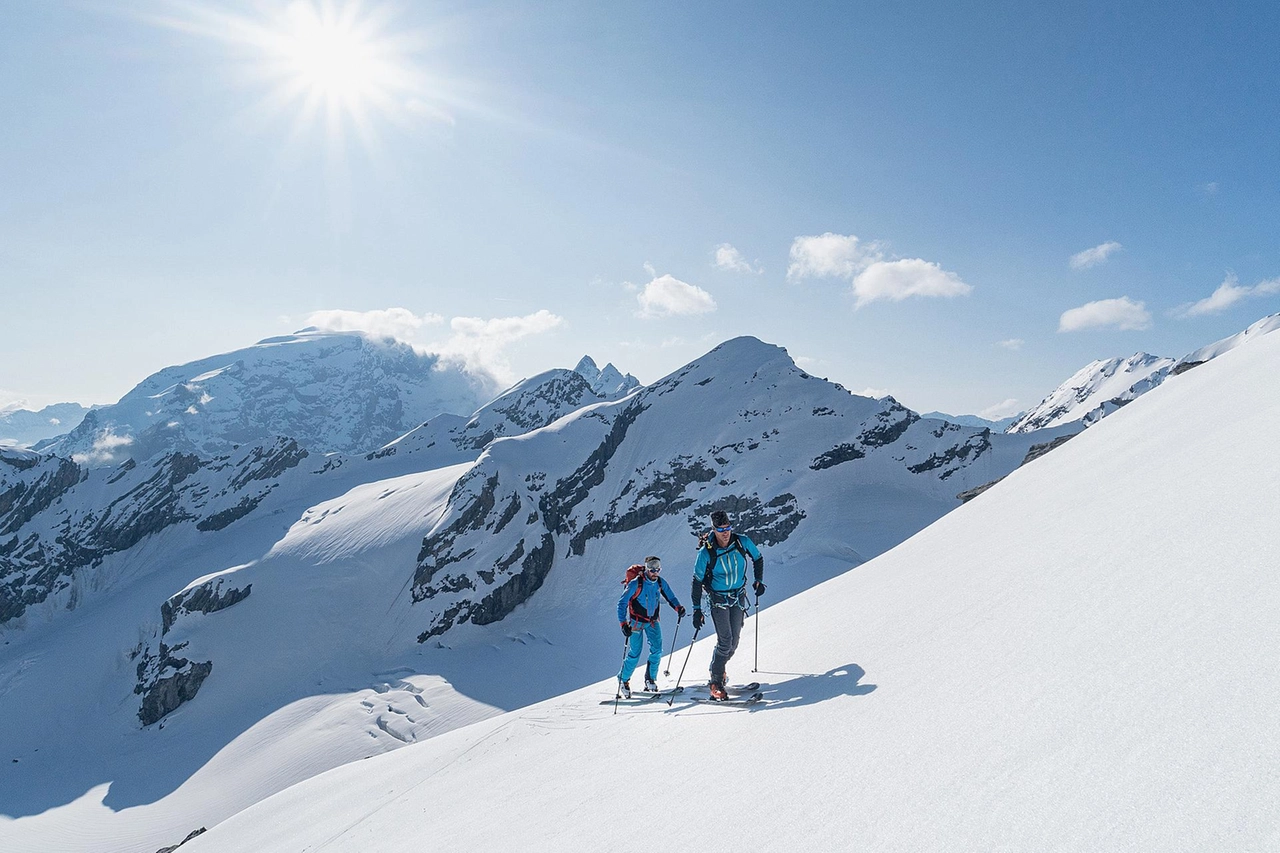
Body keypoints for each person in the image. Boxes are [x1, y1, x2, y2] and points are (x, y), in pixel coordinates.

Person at [690, 510, 765, 700]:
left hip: (738, 597)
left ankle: (718, 669)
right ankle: (716, 682)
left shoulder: (742, 542)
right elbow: (697, 581)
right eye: (721, 529)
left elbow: (758, 558)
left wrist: (758, 580)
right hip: (718, 600)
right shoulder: (706, 552)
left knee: (734, 642)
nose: (726, 532)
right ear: (714, 530)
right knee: (725, 641)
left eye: (728, 528)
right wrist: (696, 610)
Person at [616, 555, 685, 698]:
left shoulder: (660, 582)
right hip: (636, 623)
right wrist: (623, 623)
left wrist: (678, 607)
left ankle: (650, 679)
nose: (655, 571)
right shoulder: (636, 584)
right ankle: (623, 680)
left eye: (657, 568)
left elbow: (670, 596)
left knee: (657, 650)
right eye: (652, 568)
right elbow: (622, 603)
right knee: (635, 652)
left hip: (653, 622)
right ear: (646, 568)